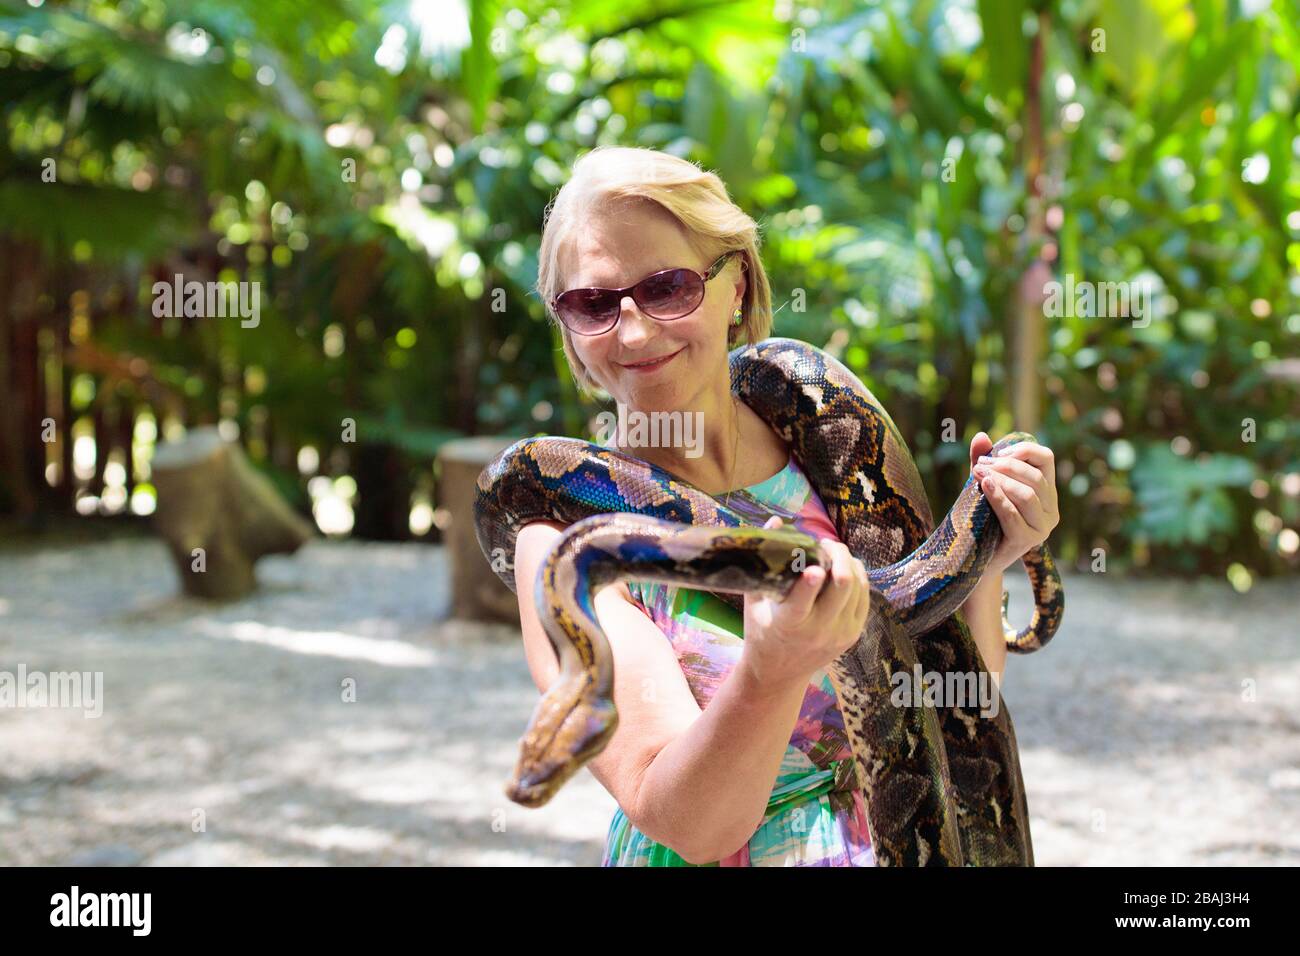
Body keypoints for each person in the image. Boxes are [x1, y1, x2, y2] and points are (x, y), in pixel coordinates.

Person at [512, 145, 1060, 866]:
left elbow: (957, 693)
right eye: (592, 303)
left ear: (735, 284)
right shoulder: (562, 545)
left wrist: (989, 551)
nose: (636, 331)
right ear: (565, 324)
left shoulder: (820, 438)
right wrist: (769, 674)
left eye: (669, 287)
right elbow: (692, 826)